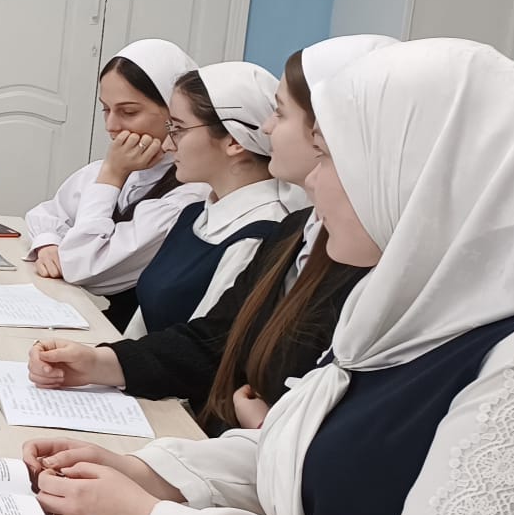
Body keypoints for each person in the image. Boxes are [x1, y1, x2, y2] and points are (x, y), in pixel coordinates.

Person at [20, 39, 514, 515]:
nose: (311, 180)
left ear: (424, 178)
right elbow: (297, 448)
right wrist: (151, 473)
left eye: (334, 157)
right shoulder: (405, 314)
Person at [27, 37, 395, 432]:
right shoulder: (282, 226)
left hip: (201, 421)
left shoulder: (268, 230)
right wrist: (102, 362)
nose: (267, 127)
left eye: (281, 114)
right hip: (194, 417)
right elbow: (207, 337)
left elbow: (228, 362)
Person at [24, 39, 208, 330]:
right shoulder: (116, 169)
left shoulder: (189, 195)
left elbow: (85, 267)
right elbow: (45, 213)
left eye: (128, 112)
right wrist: (49, 244)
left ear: (173, 113)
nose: (111, 126)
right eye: (106, 109)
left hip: (130, 339)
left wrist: (112, 176)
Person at [112, 61, 292, 342]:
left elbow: (200, 349)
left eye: (178, 129)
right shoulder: (194, 214)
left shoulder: (258, 236)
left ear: (234, 141)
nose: (168, 144)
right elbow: (142, 323)